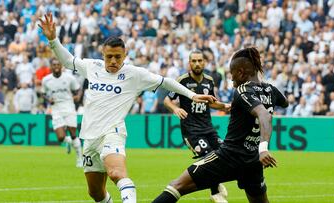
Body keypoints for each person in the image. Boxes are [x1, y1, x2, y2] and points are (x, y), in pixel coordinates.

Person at [39, 13, 216, 203]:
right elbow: (68, 61)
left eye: (117, 57)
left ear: (125, 55)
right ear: (102, 54)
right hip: (89, 136)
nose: (113, 61)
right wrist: (53, 39)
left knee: (116, 173)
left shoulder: (134, 74)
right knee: (95, 193)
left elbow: (166, 82)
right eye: (109, 57)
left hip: (112, 132)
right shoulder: (92, 66)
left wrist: (192, 95)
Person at [152, 47, 288, 203]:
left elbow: (264, 115)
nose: (231, 79)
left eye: (232, 73)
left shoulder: (243, 91)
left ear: (241, 72)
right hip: (253, 161)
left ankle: (216, 191)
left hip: (230, 156)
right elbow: (284, 102)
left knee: (176, 185)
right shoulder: (270, 90)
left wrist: (263, 149)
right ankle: (216, 190)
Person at [164, 50, 230, 202]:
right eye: (194, 61)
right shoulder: (182, 81)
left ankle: (216, 185)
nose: (197, 63)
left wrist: (224, 106)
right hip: (191, 131)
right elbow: (167, 101)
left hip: (208, 128)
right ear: (189, 63)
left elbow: (212, 102)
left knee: (224, 154)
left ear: (204, 62)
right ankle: (215, 192)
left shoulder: (209, 80)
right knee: (209, 157)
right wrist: (175, 108)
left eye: (200, 60)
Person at [42, 58, 83, 167]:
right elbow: (43, 93)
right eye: (54, 65)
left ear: (61, 66)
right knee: (60, 138)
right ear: (51, 66)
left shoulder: (69, 78)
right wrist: (48, 99)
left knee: (73, 133)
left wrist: (78, 96)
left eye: (58, 64)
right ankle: (68, 142)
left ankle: (79, 158)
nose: (56, 66)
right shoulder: (46, 80)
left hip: (69, 106)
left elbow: (78, 89)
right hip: (56, 108)